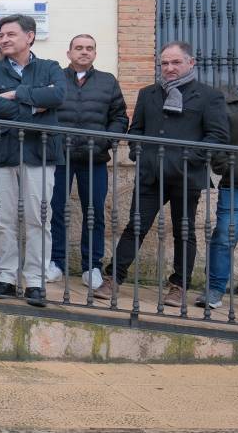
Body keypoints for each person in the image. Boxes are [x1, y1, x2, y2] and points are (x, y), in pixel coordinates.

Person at [98, 41, 229, 307]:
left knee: (184, 232)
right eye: (165, 63)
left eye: (175, 62)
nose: (169, 68)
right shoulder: (148, 94)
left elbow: (217, 136)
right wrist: (139, 153)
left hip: (186, 175)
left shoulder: (208, 96)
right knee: (135, 227)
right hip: (151, 174)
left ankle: (179, 286)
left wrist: (187, 158)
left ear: (191, 63)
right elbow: (136, 130)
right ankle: (113, 279)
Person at [0, 14, 65, 308]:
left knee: (40, 219)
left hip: (39, 154)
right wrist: (34, 106)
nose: (4, 39)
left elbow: (59, 96)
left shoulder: (50, 68)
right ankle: (6, 278)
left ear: (30, 37)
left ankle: (36, 282)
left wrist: (17, 94)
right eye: (2, 34)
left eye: (11, 34)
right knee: (3, 219)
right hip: (1, 154)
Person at [48, 34, 127, 290]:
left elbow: (119, 117)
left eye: (89, 48)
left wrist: (105, 140)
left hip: (94, 158)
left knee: (93, 212)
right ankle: (55, 262)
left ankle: (91, 265)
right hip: (59, 157)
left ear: (95, 53)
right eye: (79, 48)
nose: (84, 52)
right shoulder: (54, 78)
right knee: (55, 210)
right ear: (69, 53)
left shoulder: (107, 81)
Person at [203, 52, 238, 311]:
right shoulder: (227, 102)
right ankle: (214, 290)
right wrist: (227, 168)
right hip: (237, 185)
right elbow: (217, 139)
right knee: (224, 238)